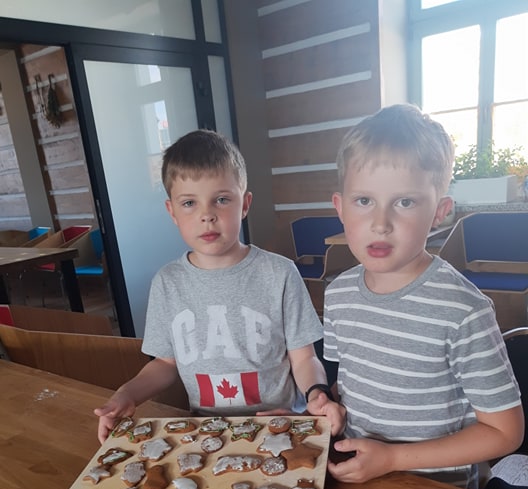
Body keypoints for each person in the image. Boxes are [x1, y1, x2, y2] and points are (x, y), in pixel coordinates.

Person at [318, 104, 524, 489]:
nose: (381, 223)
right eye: (364, 201)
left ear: (439, 212)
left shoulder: (463, 310)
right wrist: (329, 404)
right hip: (359, 480)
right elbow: (354, 382)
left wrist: (393, 458)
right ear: (340, 208)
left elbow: (505, 432)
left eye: (405, 202)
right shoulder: (339, 294)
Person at [95, 129, 344, 443]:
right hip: (207, 433)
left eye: (222, 200)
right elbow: (165, 364)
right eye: (189, 203)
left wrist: (317, 393)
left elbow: (304, 358)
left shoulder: (280, 273)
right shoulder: (167, 283)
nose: (207, 215)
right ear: (172, 211)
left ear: (245, 204)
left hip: (280, 425)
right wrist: (126, 393)